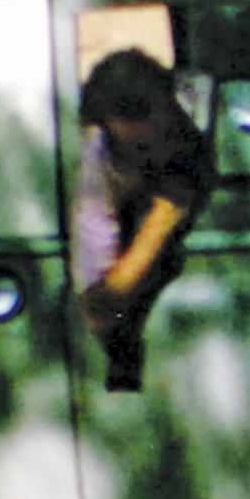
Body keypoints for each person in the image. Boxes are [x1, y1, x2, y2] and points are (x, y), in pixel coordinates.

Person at [71, 49, 216, 391]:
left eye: (166, 132)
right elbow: (96, 310)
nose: (158, 146)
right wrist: (159, 223)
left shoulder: (189, 133)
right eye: (141, 144)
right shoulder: (97, 174)